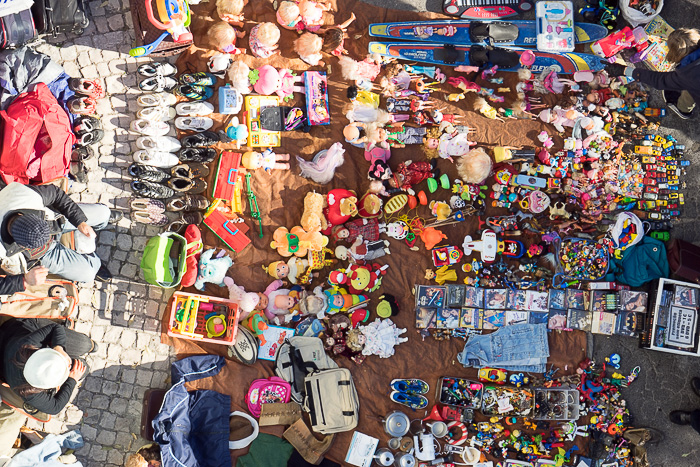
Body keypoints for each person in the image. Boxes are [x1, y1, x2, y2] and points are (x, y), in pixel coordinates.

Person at [0, 181, 121, 294]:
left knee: (103, 213)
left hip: (55, 222)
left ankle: (99, 223)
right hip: (42, 255)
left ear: (26, 214)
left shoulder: (23, 195)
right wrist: (24, 280)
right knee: (89, 273)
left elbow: (56, 194)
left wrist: (80, 222)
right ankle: (92, 262)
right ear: (19, 245)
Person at [0, 318, 95, 415]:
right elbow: (55, 407)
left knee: (85, 344)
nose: (68, 363)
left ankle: (90, 346)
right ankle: (89, 346)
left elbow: (55, 328)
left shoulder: (27, 344)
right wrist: (72, 380)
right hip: (10, 352)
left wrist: (59, 348)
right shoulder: (30, 393)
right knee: (83, 367)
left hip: (14, 331)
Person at [607, 28, 700, 119]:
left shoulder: (686, 76)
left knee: (689, 92)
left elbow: (659, 80)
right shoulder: (687, 75)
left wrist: (623, 70)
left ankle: (684, 109)